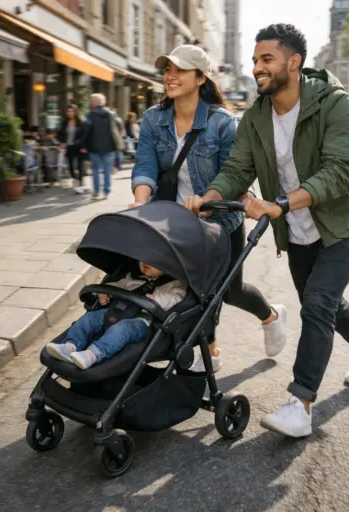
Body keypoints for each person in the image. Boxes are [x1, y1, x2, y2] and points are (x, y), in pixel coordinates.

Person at [184, 24, 349, 438]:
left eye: (266, 60)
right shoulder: (257, 115)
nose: (256, 67)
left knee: (317, 302)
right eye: (255, 60)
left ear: (294, 63)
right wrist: (210, 195)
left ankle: (300, 403)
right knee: (323, 302)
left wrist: (279, 204)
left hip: (344, 222)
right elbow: (239, 166)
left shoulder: (334, 104)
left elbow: (341, 170)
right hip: (297, 228)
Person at [130, 44, 287, 373]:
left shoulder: (222, 123)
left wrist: (208, 201)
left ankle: (271, 316)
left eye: (179, 70)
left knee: (229, 291)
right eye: (167, 70)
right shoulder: (153, 119)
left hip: (219, 221)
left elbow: (235, 175)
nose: (170, 77)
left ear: (201, 78)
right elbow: (144, 166)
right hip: (172, 221)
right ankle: (210, 350)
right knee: (193, 290)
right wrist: (140, 202)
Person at [45, 261, 186, 369]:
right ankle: (70, 345)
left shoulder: (176, 284)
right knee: (90, 318)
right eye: (142, 259)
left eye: (153, 261)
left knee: (121, 329)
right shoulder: (133, 277)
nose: (145, 263)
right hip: (116, 312)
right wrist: (106, 292)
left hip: (141, 322)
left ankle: (93, 354)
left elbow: (176, 298)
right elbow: (118, 285)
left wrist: (156, 299)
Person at [80, 93, 116, 200]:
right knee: (107, 170)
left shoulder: (90, 115)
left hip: (94, 147)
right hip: (109, 147)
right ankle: (107, 192)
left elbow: (86, 131)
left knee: (95, 169)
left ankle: (96, 191)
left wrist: (83, 145)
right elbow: (116, 130)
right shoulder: (111, 114)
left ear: (93, 103)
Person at [58, 104, 86, 194]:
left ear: (76, 112)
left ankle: (80, 183)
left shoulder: (81, 122)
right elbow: (60, 134)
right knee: (70, 166)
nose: (70, 113)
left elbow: (84, 135)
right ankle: (75, 180)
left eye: (72, 111)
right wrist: (62, 142)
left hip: (79, 147)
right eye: (68, 111)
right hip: (69, 147)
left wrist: (83, 146)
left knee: (79, 165)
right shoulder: (64, 122)